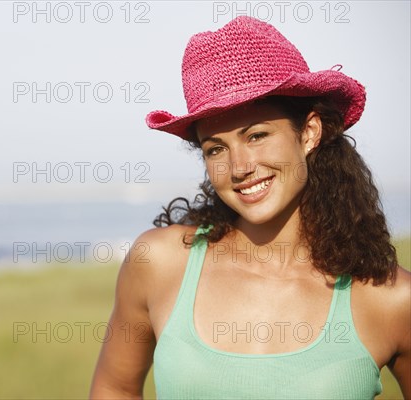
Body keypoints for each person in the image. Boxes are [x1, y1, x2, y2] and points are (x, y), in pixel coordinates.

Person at [89, 16, 410, 399]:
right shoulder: (158, 264)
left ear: (309, 132)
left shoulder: (390, 298)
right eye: (216, 149)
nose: (239, 168)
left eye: (257, 135)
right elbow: (114, 388)